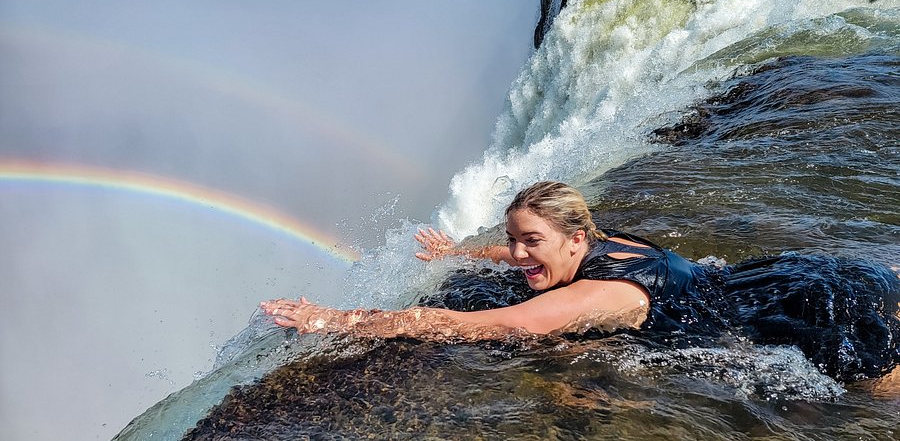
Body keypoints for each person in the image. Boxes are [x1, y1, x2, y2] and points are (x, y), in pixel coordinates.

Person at [261, 181, 900, 385]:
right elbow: (520, 258)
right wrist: (461, 252)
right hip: (791, 274)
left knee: (877, 398)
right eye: (511, 238)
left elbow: (472, 326)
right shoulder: (597, 242)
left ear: (574, 240)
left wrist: (334, 321)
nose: (516, 253)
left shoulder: (597, 294)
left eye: (529, 241)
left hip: (819, 309)